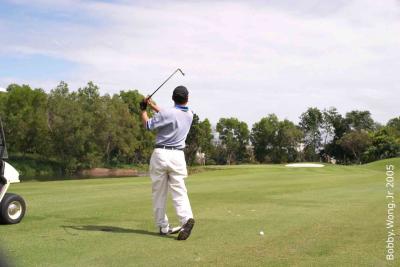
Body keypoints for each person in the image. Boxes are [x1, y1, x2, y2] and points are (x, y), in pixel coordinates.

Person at [140, 85, 195, 241]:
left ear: (173, 98)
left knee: (159, 192)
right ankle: (186, 220)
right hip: (178, 156)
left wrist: (143, 109)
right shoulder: (190, 114)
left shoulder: (167, 113)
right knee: (179, 190)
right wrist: (152, 105)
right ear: (187, 98)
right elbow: (170, 115)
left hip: (160, 155)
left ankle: (163, 226)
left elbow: (148, 125)